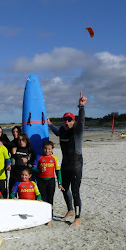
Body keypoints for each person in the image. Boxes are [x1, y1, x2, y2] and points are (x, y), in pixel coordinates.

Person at [48, 91, 87, 227]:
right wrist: (49, 124)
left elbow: (81, 120)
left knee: (75, 191)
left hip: (76, 164)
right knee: (64, 188)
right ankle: (70, 209)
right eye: (65, 119)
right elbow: (57, 132)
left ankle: (77, 217)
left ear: (73, 121)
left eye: (69, 120)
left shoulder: (77, 131)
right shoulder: (62, 131)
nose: (67, 122)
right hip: (65, 165)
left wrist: (81, 107)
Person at [33, 141, 63, 212]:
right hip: (41, 180)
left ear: (52, 149)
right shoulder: (39, 157)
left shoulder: (54, 158)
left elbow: (58, 171)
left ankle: (49, 214)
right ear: (43, 148)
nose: (47, 151)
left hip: (51, 181)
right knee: (42, 198)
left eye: (49, 149)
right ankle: (43, 213)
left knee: (50, 198)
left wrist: (60, 183)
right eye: (45, 149)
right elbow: (33, 169)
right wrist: (40, 170)